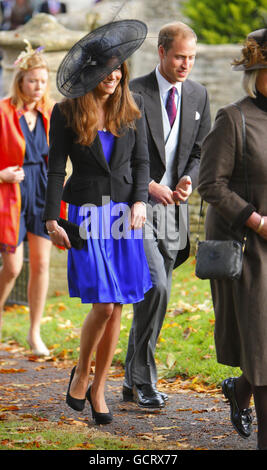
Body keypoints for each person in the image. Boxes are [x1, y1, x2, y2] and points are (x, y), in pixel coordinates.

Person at [43, 19, 152, 425]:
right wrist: (51, 217)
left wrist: (140, 202)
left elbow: (142, 163)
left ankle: (100, 386)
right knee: (103, 305)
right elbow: (55, 169)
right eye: (105, 70)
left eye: (118, 68)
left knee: (118, 303)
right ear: (90, 74)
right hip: (86, 215)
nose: (113, 76)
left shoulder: (132, 105)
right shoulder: (66, 111)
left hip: (125, 214)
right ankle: (82, 370)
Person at [123, 21, 211, 408]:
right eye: (179, 56)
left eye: (191, 58)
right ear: (160, 52)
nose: (185, 64)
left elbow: (200, 149)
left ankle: (130, 378)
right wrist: (149, 188)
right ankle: (145, 380)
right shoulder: (133, 92)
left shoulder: (198, 94)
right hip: (139, 209)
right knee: (156, 286)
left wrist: (189, 180)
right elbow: (120, 157)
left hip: (175, 212)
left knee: (152, 297)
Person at [198, 28, 267, 450]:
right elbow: (211, 184)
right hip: (250, 249)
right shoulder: (233, 118)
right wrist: (256, 221)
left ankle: (239, 391)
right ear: (257, 72)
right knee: (261, 347)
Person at [0, 40, 54, 355]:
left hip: (43, 190)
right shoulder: (4, 111)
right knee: (13, 267)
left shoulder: (50, 112)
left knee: (42, 265)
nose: (38, 86)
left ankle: (34, 333)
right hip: (12, 193)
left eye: (43, 81)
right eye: (33, 80)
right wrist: (2, 174)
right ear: (20, 80)